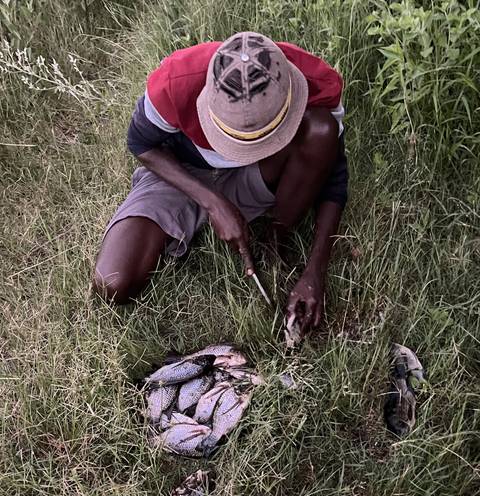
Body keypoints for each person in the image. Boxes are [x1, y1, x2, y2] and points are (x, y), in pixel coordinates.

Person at [93, 31, 348, 338]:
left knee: (322, 129)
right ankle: (190, 219)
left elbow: (334, 178)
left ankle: (275, 235)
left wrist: (316, 271)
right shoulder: (175, 81)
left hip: (261, 172)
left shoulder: (315, 80)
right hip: (182, 173)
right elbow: (140, 144)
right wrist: (213, 202)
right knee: (113, 282)